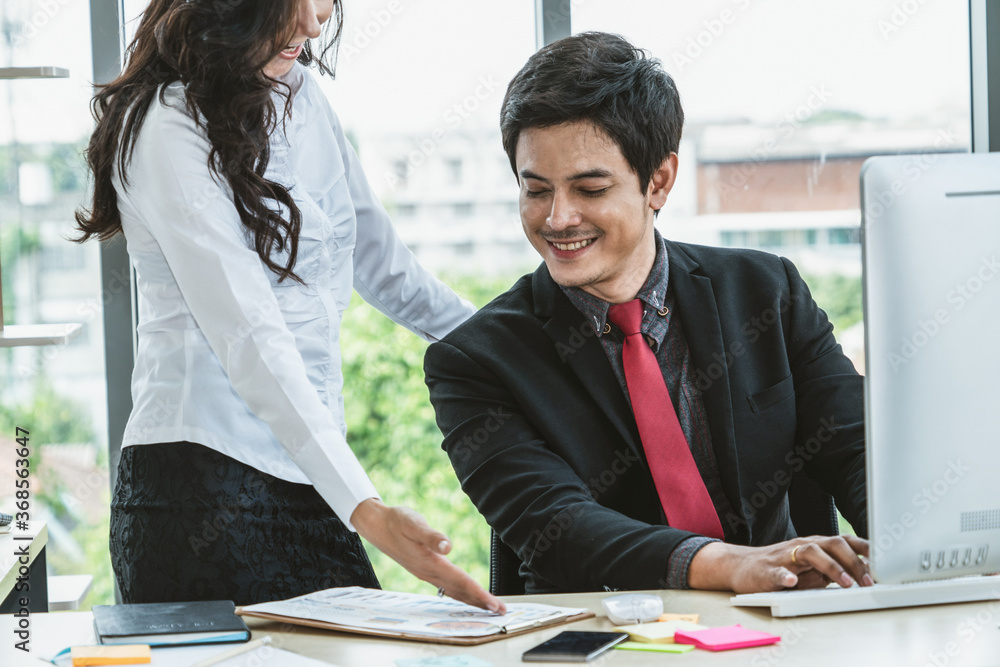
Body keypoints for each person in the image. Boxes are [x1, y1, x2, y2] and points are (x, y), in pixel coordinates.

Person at [74, 0, 502, 612]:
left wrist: (514, 352)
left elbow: (381, 262)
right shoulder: (164, 125)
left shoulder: (300, 93)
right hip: (203, 484)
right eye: (292, 3)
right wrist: (368, 510)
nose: (313, 23)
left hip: (317, 477)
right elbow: (247, 329)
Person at [424, 32, 871, 595]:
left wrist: (923, 549)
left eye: (589, 189)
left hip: (780, 624)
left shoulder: (766, 291)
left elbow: (858, 452)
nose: (558, 219)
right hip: (608, 639)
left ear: (658, 180)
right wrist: (730, 565)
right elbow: (554, 528)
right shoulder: (474, 360)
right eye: (536, 190)